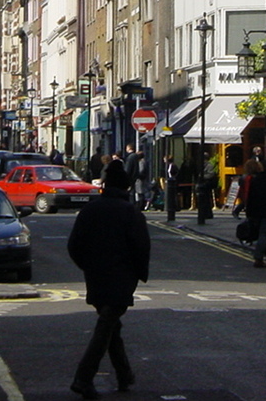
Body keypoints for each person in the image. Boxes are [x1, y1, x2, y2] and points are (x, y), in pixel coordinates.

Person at [67, 159, 150, 399]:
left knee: (111, 325)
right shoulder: (130, 213)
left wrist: (89, 266)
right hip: (121, 277)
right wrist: (137, 274)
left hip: (95, 276)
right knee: (105, 327)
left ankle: (124, 375)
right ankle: (83, 378)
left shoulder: (89, 210)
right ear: (125, 188)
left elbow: (74, 245)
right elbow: (141, 248)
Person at [163, 155, 179, 220]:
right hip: (168, 182)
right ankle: (167, 207)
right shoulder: (167, 165)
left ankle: (173, 207)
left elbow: (177, 172)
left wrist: (174, 178)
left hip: (173, 182)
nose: (163, 160)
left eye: (164, 159)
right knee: (168, 195)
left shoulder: (173, 165)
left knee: (172, 195)